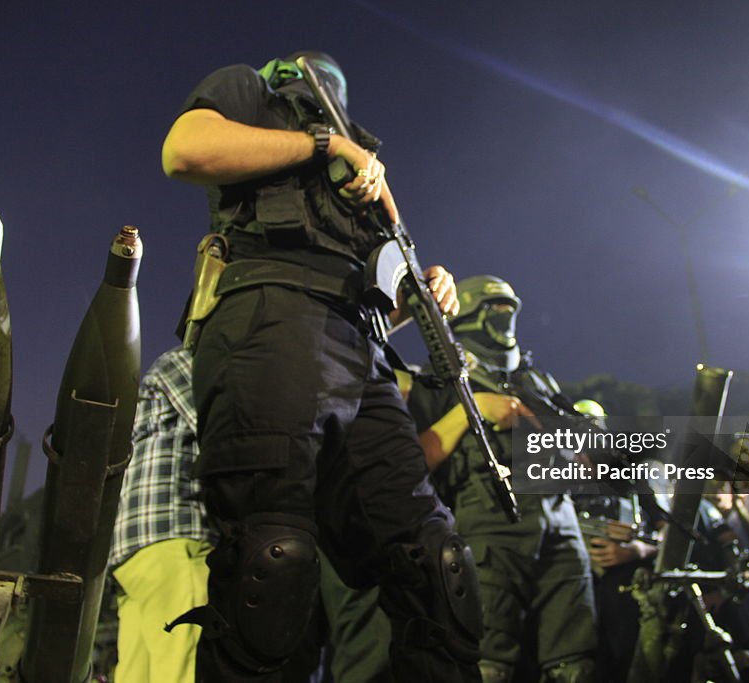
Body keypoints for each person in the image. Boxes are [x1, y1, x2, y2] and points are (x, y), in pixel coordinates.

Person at [161, 51, 482, 682]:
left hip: (361, 348)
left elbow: (375, 290)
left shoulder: (363, 167)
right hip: (272, 317)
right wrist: (321, 141)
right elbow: (184, 150)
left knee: (434, 561)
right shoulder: (252, 94)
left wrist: (423, 293)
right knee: (272, 558)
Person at [407, 275, 598, 682]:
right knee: (488, 660)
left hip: (560, 520)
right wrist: (470, 410)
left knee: (576, 658)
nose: (504, 318)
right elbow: (412, 463)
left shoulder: (538, 381)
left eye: (509, 308)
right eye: (495, 308)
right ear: (473, 313)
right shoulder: (440, 381)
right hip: (491, 521)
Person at [109, 346, 217, 683]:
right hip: (175, 538)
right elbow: (221, 432)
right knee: (183, 670)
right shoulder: (192, 362)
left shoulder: (160, 374)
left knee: (136, 674)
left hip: (135, 552)